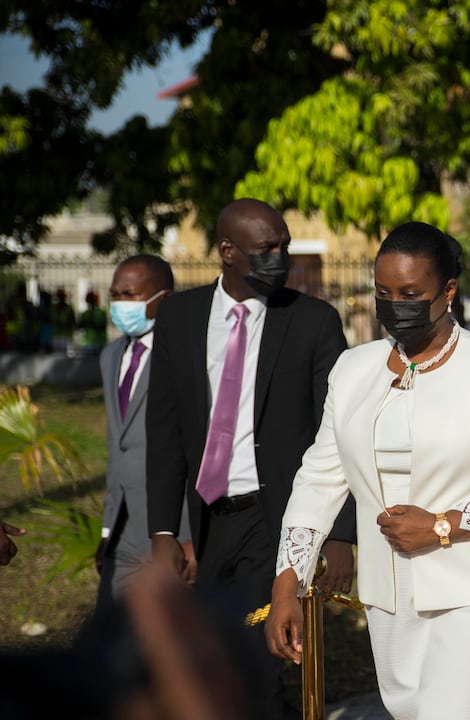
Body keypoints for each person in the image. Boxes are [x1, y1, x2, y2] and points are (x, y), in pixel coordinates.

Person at [266, 223, 470, 719]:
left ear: (447, 291)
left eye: (411, 294)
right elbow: (319, 479)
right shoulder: (352, 369)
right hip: (388, 600)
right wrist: (286, 588)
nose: (395, 305)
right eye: (383, 293)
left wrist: (442, 525)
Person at [146, 198, 356, 718]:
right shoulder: (179, 317)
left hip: (278, 519)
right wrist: (163, 532)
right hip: (209, 518)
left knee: (264, 663)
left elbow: (341, 435)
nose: (280, 257)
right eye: (267, 249)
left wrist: (341, 533)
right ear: (227, 252)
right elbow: (165, 428)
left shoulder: (312, 322)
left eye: (283, 246)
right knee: (216, 661)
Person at [96, 255, 192, 609]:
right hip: (122, 527)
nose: (119, 304)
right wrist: (108, 530)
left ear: (163, 299)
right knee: (112, 639)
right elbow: (116, 445)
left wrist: (192, 536)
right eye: (115, 294)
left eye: (130, 295)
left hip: (173, 529)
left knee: (172, 642)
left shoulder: (186, 357)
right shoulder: (110, 356)